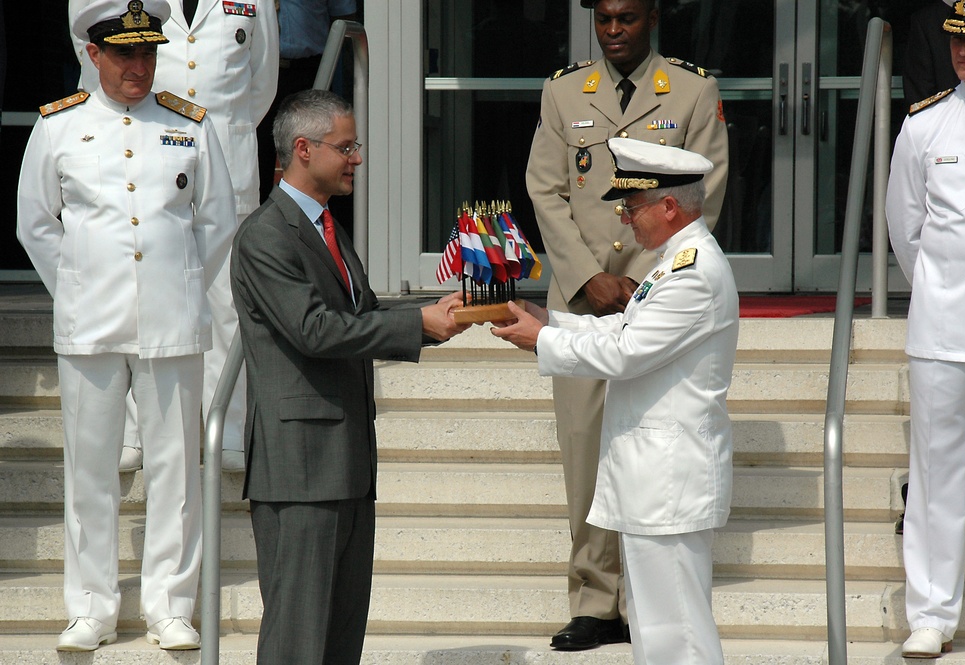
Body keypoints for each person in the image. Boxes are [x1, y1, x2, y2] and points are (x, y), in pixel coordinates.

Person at [17, 0, 237, 652]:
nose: (137, 66)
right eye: (123, 54)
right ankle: (92, 607)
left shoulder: (187, 125)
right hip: (90, 323)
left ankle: (171, 602)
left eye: (146, 52)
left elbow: (217, 222)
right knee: (89, 469)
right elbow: (35, 223)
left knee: (175, 465)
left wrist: (183, 285)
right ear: (94, 54)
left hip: (172, 319)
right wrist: (78, 289)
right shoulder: (59, 127)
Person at [230, 89, 469, 665]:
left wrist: (431, 319)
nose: (357, 157)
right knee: (297, 639)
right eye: (347, 146)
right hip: (300, 471)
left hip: (345, 463)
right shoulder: (267, 234)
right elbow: (315, 330)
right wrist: (417, 325)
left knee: (339, 639)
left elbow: (355, 317)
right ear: (304, 150)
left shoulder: (324, 227)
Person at [524, 0, 729, 650]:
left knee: (647, 442)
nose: (614, 30)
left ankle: (645, 597)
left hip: (654, 289)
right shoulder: (562, 92)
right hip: (582, 294)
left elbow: (703, 189)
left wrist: (650, 276)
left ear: (653, 18)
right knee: (585, 448)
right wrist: (589, 276)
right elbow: (545, 187)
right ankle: (596, 596)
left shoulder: (693, 90)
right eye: (605, 18)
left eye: (628, 19)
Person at [495, 138, 738, 664]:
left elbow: (628, 351)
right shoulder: (672, 261)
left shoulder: (692, 271)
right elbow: (627, 326)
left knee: (679, 632)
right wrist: (547, 320)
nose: (625, 219)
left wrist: (540, 340)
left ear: (669, 206)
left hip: (668, 478)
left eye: (631, 206)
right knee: (656, 631)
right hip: (654, 477)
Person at [68, 0, 279, 472]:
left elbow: (262, 83)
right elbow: (98, 65)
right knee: (132, 291)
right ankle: (134, 431)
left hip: (226, 156)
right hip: (145, 158)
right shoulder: (129, 8)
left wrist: (221, 129)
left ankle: (225, 430)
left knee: (228, 298)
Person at [887, 0, 965, 658]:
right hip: (943, 319)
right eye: (958, 38)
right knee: (935, 471)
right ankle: (930, 612)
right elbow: (908, 230)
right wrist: (942, 284)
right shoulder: (925, 125)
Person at [256, 0, 357, 202]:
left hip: (309, 70)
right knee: (256, 157)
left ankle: (318, 225)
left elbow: (346, 18)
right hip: (258, 72)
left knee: (318, 153)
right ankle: (258, 227)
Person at [903, 0, 958, 109]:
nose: (964, 52)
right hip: (942, 120)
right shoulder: (927, 21)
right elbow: (920, 94)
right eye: (957, 40)